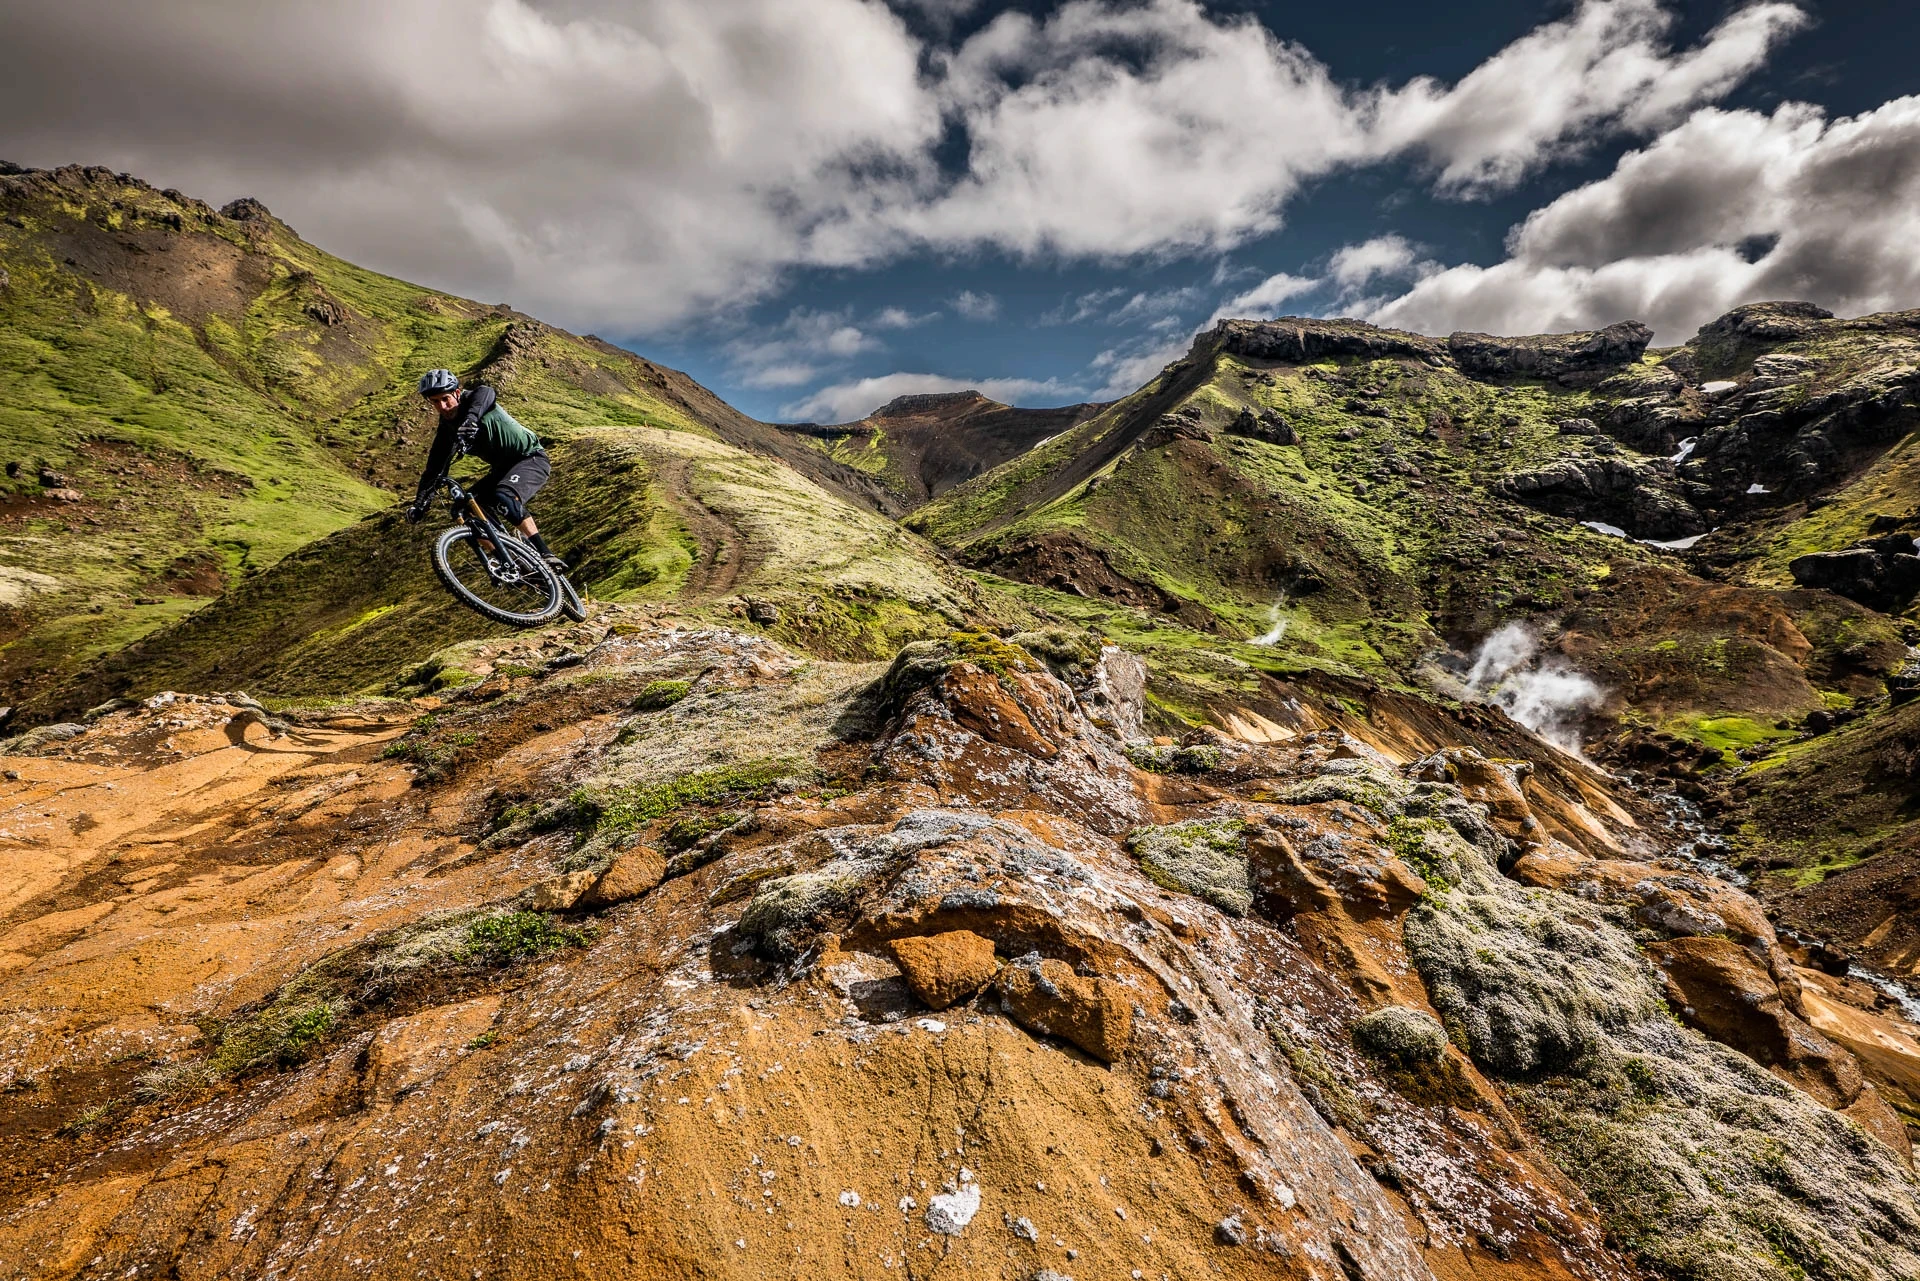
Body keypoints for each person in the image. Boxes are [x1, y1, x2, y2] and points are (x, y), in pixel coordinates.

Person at [406, 369, 564, 569]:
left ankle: (546, 554)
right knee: (464, 509)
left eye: (445, 399)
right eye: (435, 402)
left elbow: (487, 392)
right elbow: (434, 469)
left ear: (457, 392)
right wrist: (420, 504)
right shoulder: (447, 430)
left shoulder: (476, 399)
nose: (442, 406)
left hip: (530, 458)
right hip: (502, 469)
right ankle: (511, 562)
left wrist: (471, 420)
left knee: (503, 495)